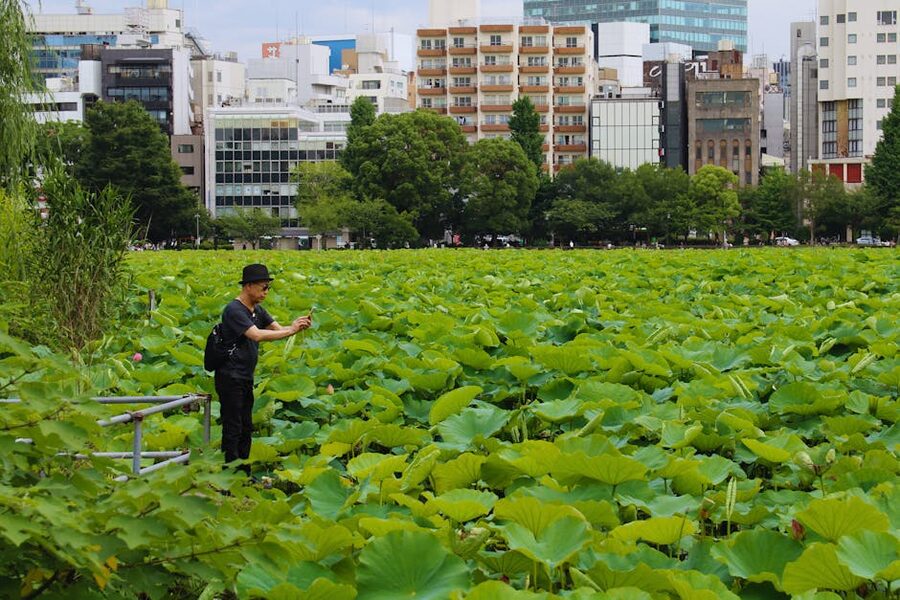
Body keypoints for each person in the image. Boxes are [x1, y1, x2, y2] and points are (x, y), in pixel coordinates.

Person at [214, 263, 311, 471]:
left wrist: (296, 326)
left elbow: (278, 329)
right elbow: (257, 335)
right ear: (248, 286)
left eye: (268, 288)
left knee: (246, 427)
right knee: (233, 427)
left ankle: (244, 474)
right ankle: (229, 476)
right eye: (263, 287)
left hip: (246, 376)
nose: (266, 292)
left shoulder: (257, 310)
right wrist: (290, 330)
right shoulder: (234, 310)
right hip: (230, 376)